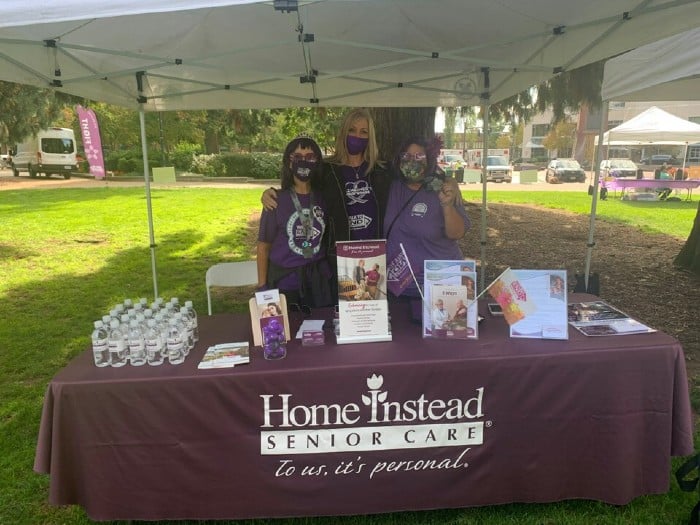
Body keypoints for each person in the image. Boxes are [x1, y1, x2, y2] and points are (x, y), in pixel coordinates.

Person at [262, 108, 392, 244]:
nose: (357, 136)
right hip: (337, 256)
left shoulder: (381, 172)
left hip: (374, 254)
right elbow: (299, 189)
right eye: (352, 130)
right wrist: (270, 193)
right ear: (343, 133)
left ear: (370, 137)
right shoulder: (326, 170)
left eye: (364, 132)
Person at [384, 136, 471, 305]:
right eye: (407, 156)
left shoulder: (442, 188)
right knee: (403, 331)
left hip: (442, 286)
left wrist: (447, 205)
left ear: (429, 159)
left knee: (448, 331)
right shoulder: (391, 186)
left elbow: (457, 233)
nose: (412, 161)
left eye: (419, 156)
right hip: (400, 288)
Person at [256, 135, 332, 308]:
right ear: (289, 163)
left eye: (310, 157)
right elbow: (263, 247)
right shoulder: (275, 200)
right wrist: (262, 286)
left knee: (320, 332)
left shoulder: (324, 198)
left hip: (318, 283)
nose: (303, 162)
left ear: (317, 162)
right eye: (297, 157)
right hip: (285, 283)